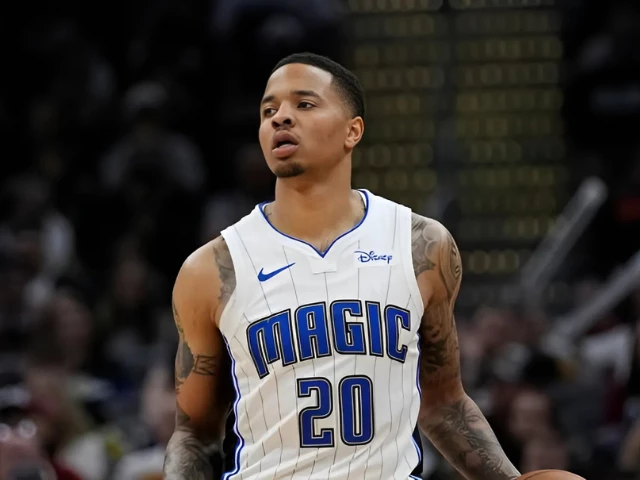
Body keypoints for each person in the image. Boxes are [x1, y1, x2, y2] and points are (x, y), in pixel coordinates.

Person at [162, 52, 521, 480]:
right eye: (269, 111)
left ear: (353, 131)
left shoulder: (422, 246)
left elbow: (444, 405)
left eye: (304, 104)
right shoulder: (212, 268)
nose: (281, 118)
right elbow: (195, 434)